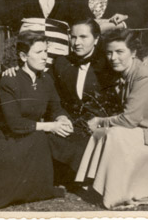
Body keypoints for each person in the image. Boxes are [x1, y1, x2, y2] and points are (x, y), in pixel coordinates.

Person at [0, 31, 73, 209]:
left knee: (51, 137)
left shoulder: (46, 79)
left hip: (28, 134)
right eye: (39, 52)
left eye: (46, 52)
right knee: (40, 137)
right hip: (5, 139)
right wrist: (50, 126)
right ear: (23, 56)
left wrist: (62, 118)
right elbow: (15, 124)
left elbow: (56, 107)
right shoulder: (9, 79)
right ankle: (29, 188)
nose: (45, 57)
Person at [75, 29, 148, 209]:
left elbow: (129, 120)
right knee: (105, 132)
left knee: (115, 133)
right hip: (142, 135)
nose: (113, 58)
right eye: (109, 52)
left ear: (134, 52)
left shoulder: (144, 74)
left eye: (120, 52)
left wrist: (100, 121)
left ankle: (116, 195)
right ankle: (95, 185)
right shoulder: (128, 74)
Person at [49, 18, 121, 184]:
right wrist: (60, 116)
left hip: (102, 127)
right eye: (73, 37)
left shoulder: (109, 62)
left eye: (83, 37)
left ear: (96, 39)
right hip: (73, 125)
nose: (77, 43)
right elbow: (51, 95)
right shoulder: (61, 63)